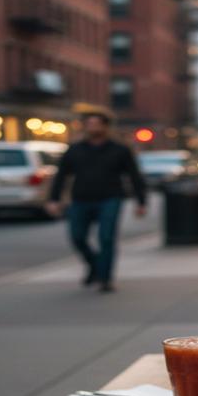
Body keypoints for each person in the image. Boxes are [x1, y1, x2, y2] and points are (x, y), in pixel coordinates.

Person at [45, 110, 146, 293]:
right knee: (77, 237)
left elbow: (134, 176)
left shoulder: (120, 150)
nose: (93, 128)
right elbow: (61, 176)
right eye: (89, 124)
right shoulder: (75, 150)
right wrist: (54, 199)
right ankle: (94, 265)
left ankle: (105, 279)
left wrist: (141, 202)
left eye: (97, 124)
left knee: (106, 238)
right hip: (81, 199)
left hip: (110, 198)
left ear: (105, 127)